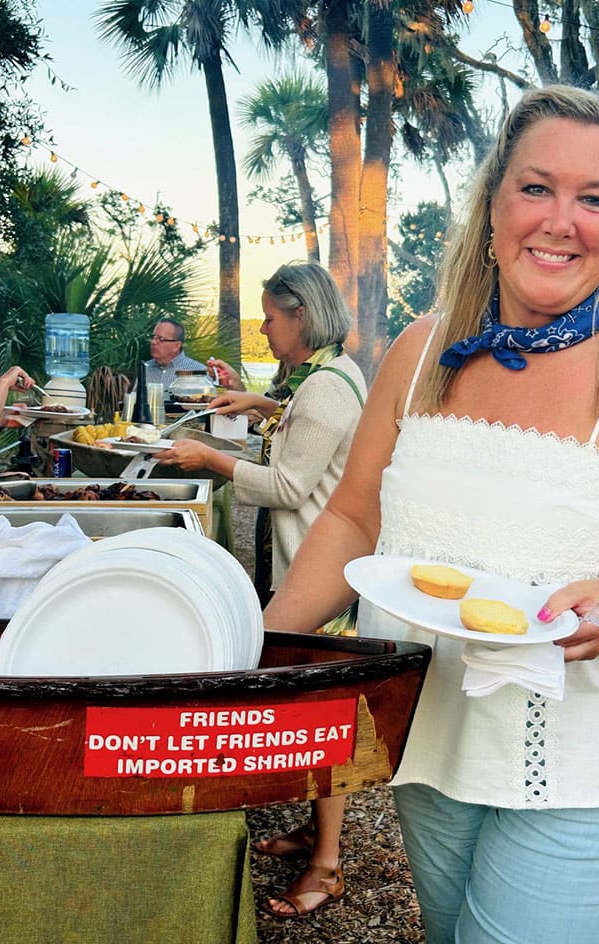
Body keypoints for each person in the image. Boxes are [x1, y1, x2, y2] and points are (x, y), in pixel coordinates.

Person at [260, 85, 599, 944]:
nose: (560, 220)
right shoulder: (421, 349)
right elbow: (353, 518)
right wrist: (256, 644)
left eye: (595, 198)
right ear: (493, 199)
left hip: (595, 778)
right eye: (537, 187)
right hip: (433, 750)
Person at [158, 261, 366, 918]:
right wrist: (261, 406)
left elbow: (287, 485)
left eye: (271, 318)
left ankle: (328, 868)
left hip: (321, 573)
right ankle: (314, 832)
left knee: (325, 715)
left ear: (300, 313)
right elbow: (310, 433)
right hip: (313, 562)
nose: (265, 329)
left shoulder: (327, 388)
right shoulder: (326, 376)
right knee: (312, 704)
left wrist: (212, 459)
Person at [144, 318, 207, 389]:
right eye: (153, 337)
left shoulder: (198, 372)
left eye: (161, 339)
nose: (153, 342)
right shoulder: (146, 368)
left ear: (177, 346)